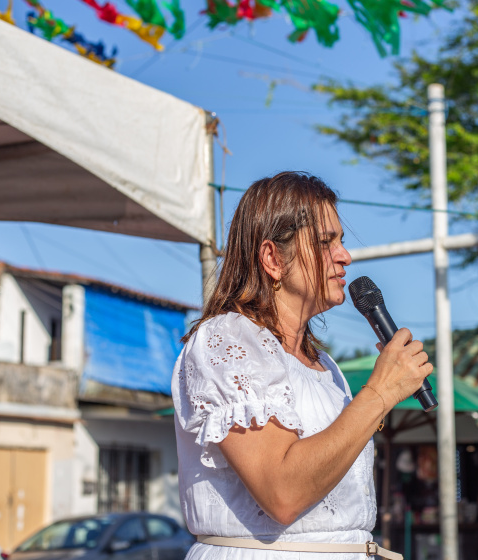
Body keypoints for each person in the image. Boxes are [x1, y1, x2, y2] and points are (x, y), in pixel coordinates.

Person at [171, 172, 432, 560]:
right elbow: (282, 493)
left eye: (340, 241)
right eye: (326, 242)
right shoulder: (226, 339)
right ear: (273, 258)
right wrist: (380, 393)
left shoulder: (325, 366)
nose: (345, 256)